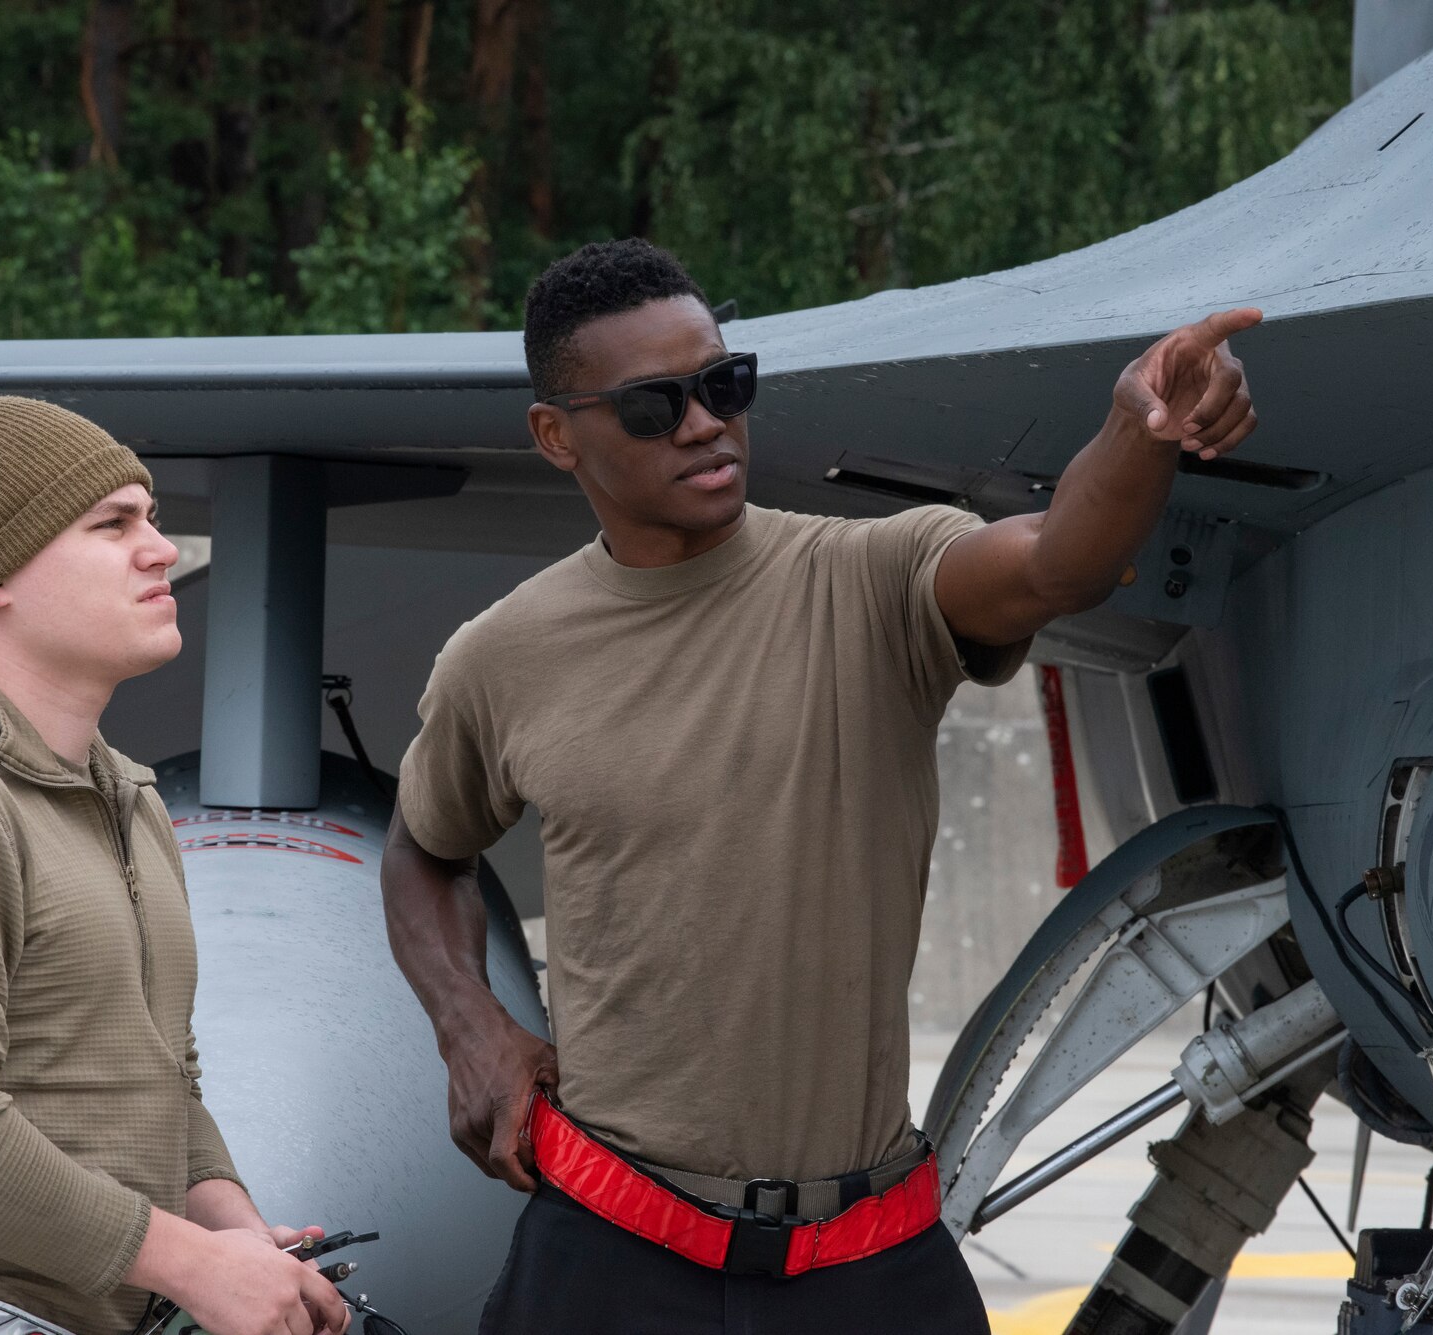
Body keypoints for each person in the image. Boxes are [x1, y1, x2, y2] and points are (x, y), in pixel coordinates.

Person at [381, 239, 1260, 1332]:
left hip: (870, 1261)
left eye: (722, 385)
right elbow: (426, 850)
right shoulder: (501, 657)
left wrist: (1138, 429)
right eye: (655, 406)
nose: (704, 423)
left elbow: (1057, 564)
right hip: (612, 1250)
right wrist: (471, 1028)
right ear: (556, 435)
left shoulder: (876, 581)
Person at [0, 393, 349, 1335]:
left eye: (152, 517)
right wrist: (193, 1265)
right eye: (111, 523)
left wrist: (239, 1238)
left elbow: (162, 1077)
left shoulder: (123, 792)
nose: (161, 547)